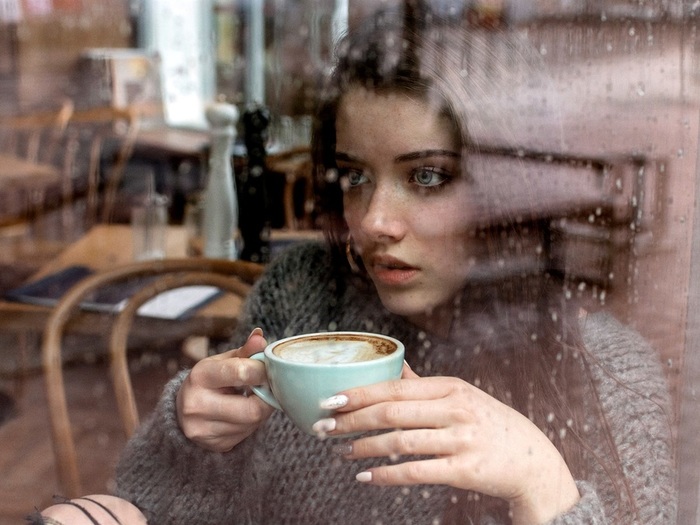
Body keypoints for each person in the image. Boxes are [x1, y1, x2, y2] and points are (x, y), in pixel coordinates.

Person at [31, 5, 676, 525]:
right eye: (354, 177)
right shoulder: (301, 298)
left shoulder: (612, 378)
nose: (371, 221)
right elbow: (187, 509)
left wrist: (544, 484)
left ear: (509, 190)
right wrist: (194, 437)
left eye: (427, 176)